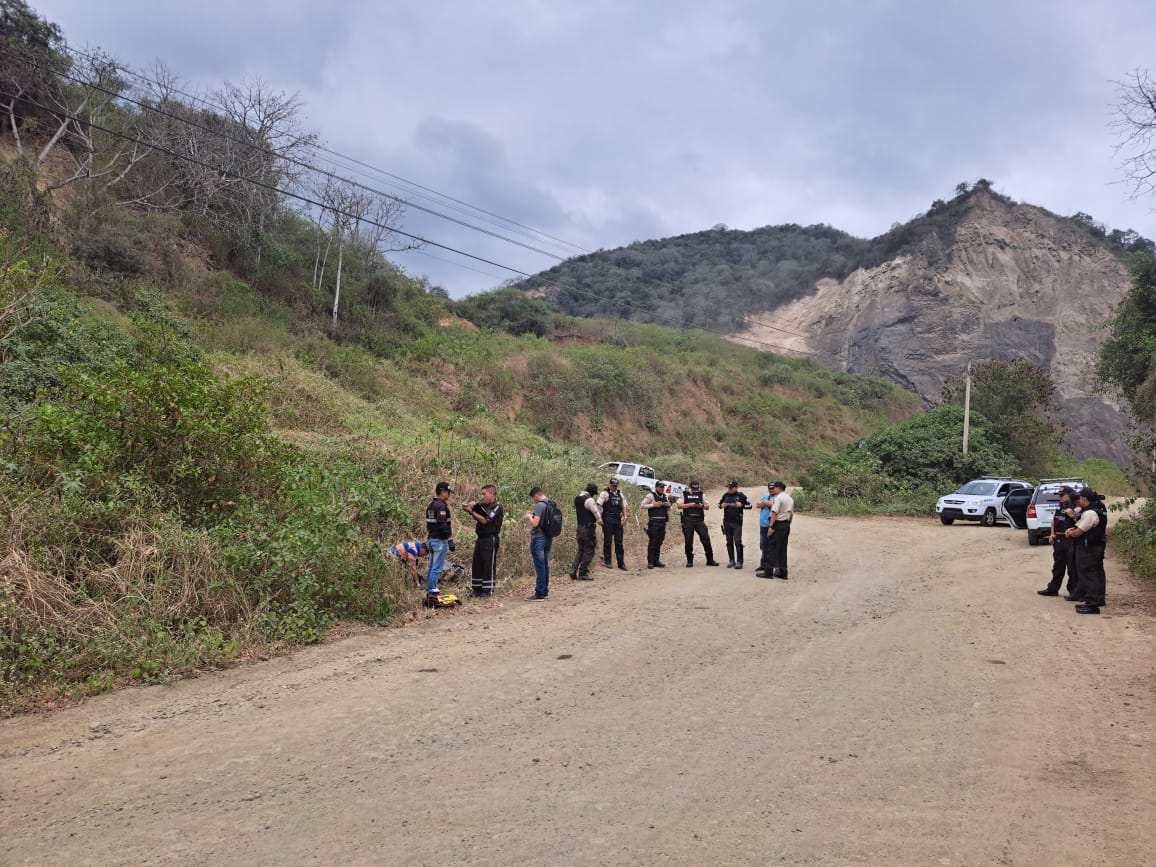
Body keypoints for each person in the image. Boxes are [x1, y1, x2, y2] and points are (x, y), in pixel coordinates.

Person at [1066, 488, 1109, 614]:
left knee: (1088, 574)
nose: (1078, 500)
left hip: (1089, 549)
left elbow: (1079, 531)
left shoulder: (1090, 513)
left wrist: (1070, 533)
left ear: (1084, 499)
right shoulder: (1099, 509)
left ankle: (1092, 604)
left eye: (1080, 498)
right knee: (1097, 574)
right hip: (1096, 546)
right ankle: (1099, 600)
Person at [1037, 487, 1080, 598]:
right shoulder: (1061, 505)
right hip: (1058, 539)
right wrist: (1052, 534)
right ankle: (1053, 589)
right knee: (1057, 566)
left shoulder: (1076, 507)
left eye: (1062, 495)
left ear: (1070, 495)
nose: (1060, 497)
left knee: (1072, 567)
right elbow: (1054, 520)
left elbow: (1081, 522)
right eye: (1059, 495)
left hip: (1070, 540)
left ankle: (1074, 591)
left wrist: (1073, 515)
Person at [463, 485, 504, 596]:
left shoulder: (497, 506)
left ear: (492, 494)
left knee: (488, 564)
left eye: (484, 494)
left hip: (490, 538)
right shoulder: (483, 505)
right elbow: (478, 510)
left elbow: (485, 520)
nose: (482, 496)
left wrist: (471, 512)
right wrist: (472, 505)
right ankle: (477, 590)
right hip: (480, 538)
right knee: (477, 563)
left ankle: (487, 590)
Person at [756, 481, 794, 580]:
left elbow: (774, 513)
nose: (773, 490)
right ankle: (783, 572)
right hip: (785, 525)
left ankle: (768, 572)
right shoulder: (789, 499)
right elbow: (791, 514)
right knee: (782, 549)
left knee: (772, 548)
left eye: (775, 488)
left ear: (778, 488)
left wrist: (770, 527)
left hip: (778, 524)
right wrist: (787, 525)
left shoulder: (778, 498)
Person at [677, 481, 719, 567]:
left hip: (699, 520)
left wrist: (701, 506)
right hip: (687, 520)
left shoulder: (701, 494)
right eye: (694, 489)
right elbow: (679, 506)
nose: (695, 490)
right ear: (690, 487)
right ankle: (689, 561)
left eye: (697, 489)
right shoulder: (684, 494)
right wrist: (691, 505)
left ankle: (710, 560)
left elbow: (707, 507)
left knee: (706, 539)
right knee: (688, 541)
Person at [424, 481, 454, 596]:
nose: (449, 495)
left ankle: (429, 589)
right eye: (448, 492)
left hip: (431, 539)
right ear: (442, 492)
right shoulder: (441, 506)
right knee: (437, 568)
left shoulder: (431, 505)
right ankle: (432, 591)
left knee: (432, 567)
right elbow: (443, 525)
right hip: (439, 541)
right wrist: (450, 540)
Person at [569, 482, 603, 580]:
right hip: (588, 529)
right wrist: (600, 519)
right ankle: (583, 573)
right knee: (589, 550)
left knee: (581, 550)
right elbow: (596, 513)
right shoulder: (589, 500)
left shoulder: (577, 498)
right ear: (592, 492)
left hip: (579, 527)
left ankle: (573, 570)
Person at [524, 487, 553, 600]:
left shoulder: (540, 505)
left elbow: (535, 523)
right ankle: (544, 590)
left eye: (533, 498)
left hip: (539, 539)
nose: (533, 500)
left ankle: (539, 592)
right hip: (548, 538)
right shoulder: (551, 503)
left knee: (540, 566)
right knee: (545, 565)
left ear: (536, 495)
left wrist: (529, 517)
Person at [717, 480, 752, 569]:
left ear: (736, 488)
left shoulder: (741, 495)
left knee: (737, 541)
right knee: (729, 541)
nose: (729, 489)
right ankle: (731, 560)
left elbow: (750, 505)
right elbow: (718, 504)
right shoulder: (725, 495)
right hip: (727, 521)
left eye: (731, 487)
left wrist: (742, 505)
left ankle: (740, 561)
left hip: (737, 522)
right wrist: (721, 505)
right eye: (728, 487)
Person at [598, 478, 629, 570]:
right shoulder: (605, 493)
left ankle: (621, 563)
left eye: (615, 485)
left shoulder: (620, 494)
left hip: (617, 519)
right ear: (610, 484)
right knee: (608, 541)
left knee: (619, 542)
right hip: (608, 518)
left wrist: (625, 517)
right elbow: (599, 505)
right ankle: (608, 561)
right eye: (613, 485)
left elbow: (623, 506)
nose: (614, 487)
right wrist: (599, 518)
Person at [640, 482, 672, 568]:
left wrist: (669, 505)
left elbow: (669, 509)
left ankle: (656, 561)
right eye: (660, 487)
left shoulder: (665, 496)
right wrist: (653, 505)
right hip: (654, 522)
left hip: (663, 522)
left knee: (659, 542)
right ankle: (650, 562)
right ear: (656, 487)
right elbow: (642, 505)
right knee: (653, 542)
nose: (662, 488)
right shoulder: (651, 496)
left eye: (663, 487)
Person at [756, 482, 774, 567]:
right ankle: (763, 564)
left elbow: (774, 505)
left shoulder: (778, 497)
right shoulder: (765, 496)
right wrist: (766, 503)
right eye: (770, 488)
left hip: (773, 525)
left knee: (773, 545)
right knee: (763, 545)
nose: (771, 490)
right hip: (763, 524)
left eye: (773, 488)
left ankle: (772, 565)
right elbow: (758, 505)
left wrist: (766, 503)